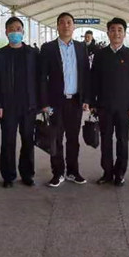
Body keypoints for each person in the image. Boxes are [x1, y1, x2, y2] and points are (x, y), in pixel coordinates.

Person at [39, 12, 90, 187]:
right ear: (57, 26)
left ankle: (73, 172)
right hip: (55, 102)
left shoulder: (81, 48)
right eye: (62, 22)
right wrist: (44, 103)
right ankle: (58, 172)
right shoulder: (48, 48)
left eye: (69, 22)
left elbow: (85, 74)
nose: (66, 25)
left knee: (73, 139)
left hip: (75, 101)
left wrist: (86, 98)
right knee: (56, 138)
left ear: (74, 26)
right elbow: (42, 77)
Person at [91, 17, 129, 186]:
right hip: (104, 106)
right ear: (108, 33)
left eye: (120, 30)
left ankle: (120, 173)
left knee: (122, 140)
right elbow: (94, 80)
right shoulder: (100, 55)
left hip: (124, 108)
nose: (116, 33)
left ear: (125, 33)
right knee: (105, 140)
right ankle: (107, 172)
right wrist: (93, 103)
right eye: (112, 30)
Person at [0, 17, 38, 188]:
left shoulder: (33, 54)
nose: (15, 32)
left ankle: (27, 174)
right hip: (7, 106)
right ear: (6, 32)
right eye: (11, 29)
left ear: (23, 32)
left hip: (29, 105)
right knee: (8, 141)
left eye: (18, 29)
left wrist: (40, 103)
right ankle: (8, 176)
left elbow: (40, 79)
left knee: (28, 141)